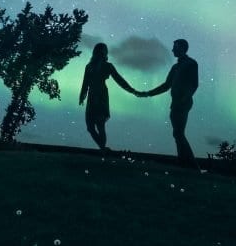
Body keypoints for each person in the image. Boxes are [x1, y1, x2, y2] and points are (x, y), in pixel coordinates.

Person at [136, 38, 199, 169]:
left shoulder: (191, 63)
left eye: (175, 47)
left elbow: (194, 84)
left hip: (182, 103)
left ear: (182, 48)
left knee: (178, 133)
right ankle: (185, 163)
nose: (172, 49)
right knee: (177, 133)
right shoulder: (175, 67)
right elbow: (166, 86)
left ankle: (192, 165)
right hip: (176, 103)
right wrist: (147, 93)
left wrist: (185, 98)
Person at [79, 42, 137, 154]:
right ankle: (103, 149)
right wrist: (82, 95)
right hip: (92, 96)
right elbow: (85, 82)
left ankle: (103, 149)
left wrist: (131, 90)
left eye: (103, 51)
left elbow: (119, 80)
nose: (101, 53)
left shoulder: (107, 66)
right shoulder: (89, 66)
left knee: (100, 125)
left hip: (101, 96)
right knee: (90, 127)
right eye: (99, 51)